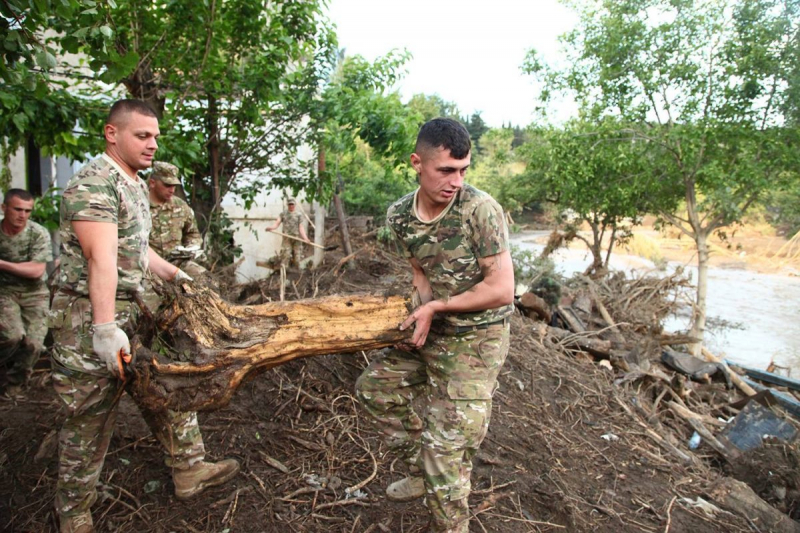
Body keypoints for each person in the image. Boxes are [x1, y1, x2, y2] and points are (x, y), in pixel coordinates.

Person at [50, 99, 239, 533]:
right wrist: (103, 329)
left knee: (168, 391)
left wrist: (176, 276)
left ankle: (189, 468)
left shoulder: (132, 182)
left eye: (155, 135)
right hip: (89, 322)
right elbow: (101, 258)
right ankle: (75, 513)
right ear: (111, 134)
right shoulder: (94, 185)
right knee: (89, 419)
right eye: (142, 135)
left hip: (135, 313)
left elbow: (135, 247)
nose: (153, 144)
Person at [355, 118, 515, 533]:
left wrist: (436, 309)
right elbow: (421, 275)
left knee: (444, 451)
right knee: (375, 389)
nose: (457, 181)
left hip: (479, 338)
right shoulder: (400, 216)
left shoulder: (480, 210)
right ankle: (419, 470)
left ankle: (448, 512)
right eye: (446, 170)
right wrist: (419, 316)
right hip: (438, 325)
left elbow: (501, 290)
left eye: (464, 170)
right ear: (417, 163)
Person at [0, 188, 53, 396]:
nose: (22, 215)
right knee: (12, 337)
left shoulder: (37, 233)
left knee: (33, 344)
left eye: (28, 211)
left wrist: (2, 264)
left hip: (35, 293)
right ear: (4, 208)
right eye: (17, 209)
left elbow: (36, 270)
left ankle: (15, 385)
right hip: (5, 291)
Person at [148, 161, 206, 278]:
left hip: (177, 264)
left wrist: (191, 248)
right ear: (152, 183)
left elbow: (192, 233)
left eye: (174, 185)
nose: (172, 190)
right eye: (167, 185)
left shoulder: (180, 206)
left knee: (204, 278)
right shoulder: (139, 205)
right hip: (149, 266)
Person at [267, 197, 310, 268]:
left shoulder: (298, 215)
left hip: (297, 238)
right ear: (287, 205)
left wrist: (305, 238)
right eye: (290, 204)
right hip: (287, 238)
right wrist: (271, 228)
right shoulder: (283, 214)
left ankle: (296, 272)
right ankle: (285, 272)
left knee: (297, 257)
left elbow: (301, 227)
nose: (291, 206)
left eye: (292, 204)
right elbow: (277, 223)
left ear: (295, 205)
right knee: (286, 255)